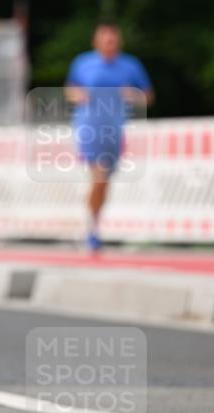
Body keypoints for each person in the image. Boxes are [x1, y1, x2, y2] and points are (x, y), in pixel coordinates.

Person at [64, 23, 153, 251]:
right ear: (96, 42)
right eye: (105, 39)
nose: (109, 43)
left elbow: (148, 97)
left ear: (119, 42)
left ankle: (92, 223)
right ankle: (91, 229)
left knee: (105, 181)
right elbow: (70, 90)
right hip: (89, 126)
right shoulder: (83, 63)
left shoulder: (130, 66)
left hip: (115, 128)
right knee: (99, 174)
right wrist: (78, 95)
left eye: (113, 40)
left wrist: (134, 95)